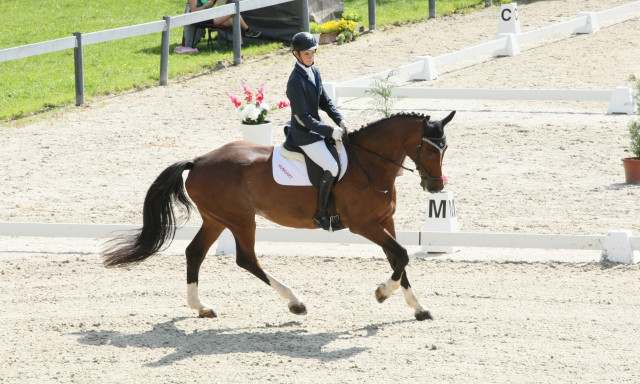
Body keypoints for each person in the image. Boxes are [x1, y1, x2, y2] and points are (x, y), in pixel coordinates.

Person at [285, 32, 350, 231]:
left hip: (317, 129)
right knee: (332, 167)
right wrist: (330, 130)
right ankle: (321, 215)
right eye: (306, 54)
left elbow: (325, 102)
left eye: (313, 53)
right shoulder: (295, 81)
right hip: (304, 134)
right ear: (296, 54)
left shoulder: (315, 71)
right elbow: (303, 117)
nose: (311, 57)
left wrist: (340, 119)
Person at [186, 0, 261, 43]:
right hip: (202, 19)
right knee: (233, 11)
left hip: (208, 16)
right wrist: (206, 5)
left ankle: (240, 44)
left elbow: (205, 8)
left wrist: (210, 4)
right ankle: (248, 30)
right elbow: (193, 12)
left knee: (234, 19)